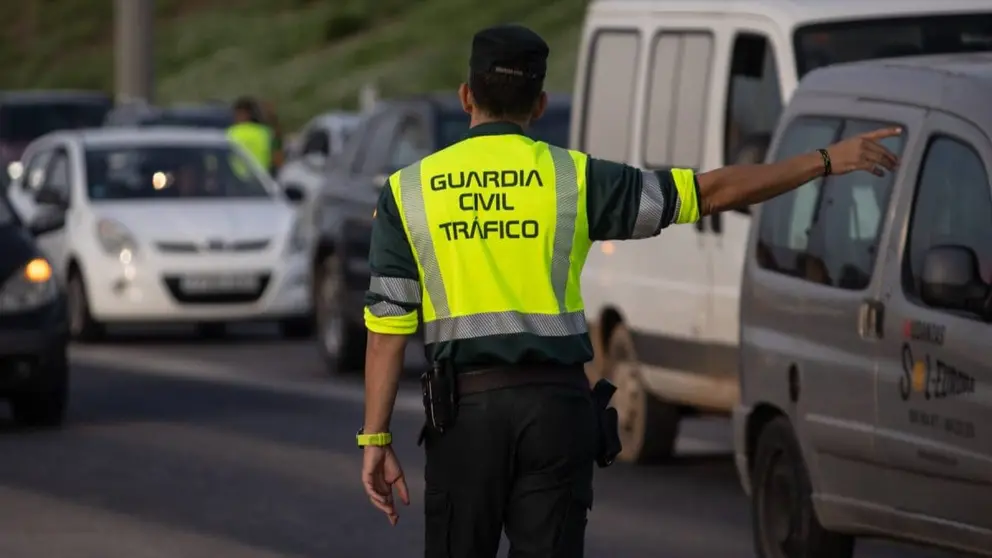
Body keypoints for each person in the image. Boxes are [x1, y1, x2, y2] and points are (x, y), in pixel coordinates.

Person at [358, 24, 899, 558]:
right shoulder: (577, 180)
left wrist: (375, 440)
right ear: (541, 103)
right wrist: (826, 160)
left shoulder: (409, 194)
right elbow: (710, 192)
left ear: (466, 95)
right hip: (556, 414)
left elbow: (387, 332)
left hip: (465, 419)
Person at [226, 96, 273, 172]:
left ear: (245, 114)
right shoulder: (265, 132)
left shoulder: (233, 132)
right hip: (261, 178)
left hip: (236, 177)